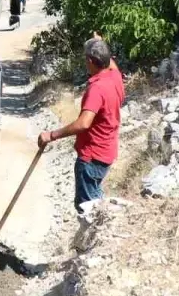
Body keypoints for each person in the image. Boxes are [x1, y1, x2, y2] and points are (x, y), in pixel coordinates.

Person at [38, 34, 125, 215]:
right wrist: (100, 42)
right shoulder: (115, 78)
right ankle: (96, 233)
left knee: (87, 209)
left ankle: (92, 240)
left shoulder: (97, 88)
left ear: (90, 61)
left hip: (92, 157)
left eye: (86, 59)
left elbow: (84, 123)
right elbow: (112, 64)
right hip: (106, 152)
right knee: (94, 199)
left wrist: (51, 135)